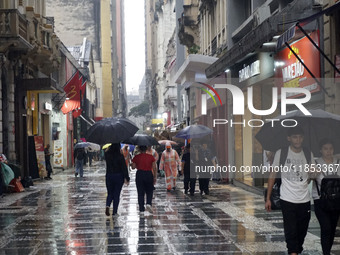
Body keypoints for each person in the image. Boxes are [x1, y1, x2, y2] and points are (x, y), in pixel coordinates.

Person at [265, 126, 314, 255]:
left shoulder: (308, 153)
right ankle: (293, 252)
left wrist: (312, 174)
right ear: (289, 138)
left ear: (303, 138)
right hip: (287, 198)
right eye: (295, 137)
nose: (298, 140)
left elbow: (310, 179)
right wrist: (268, 198)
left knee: (302, 231)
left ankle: (296, 250)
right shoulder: (282, 153)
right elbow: (272, 174)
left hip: (304, 198)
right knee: (291, 230)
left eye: (300, 137)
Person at [312, 138, 340, 255]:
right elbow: (308, 180)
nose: (328, 151)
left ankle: (327, 251)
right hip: (320, 201)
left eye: (331, 149)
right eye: (325, 149)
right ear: (320, 150)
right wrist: (312, 175)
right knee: (326, 228)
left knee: (332, 228)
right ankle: (326, 253)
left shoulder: (338, 162)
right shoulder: (315, 163)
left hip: (336, 201)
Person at [104, 143, 130, 217]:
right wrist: (127, 177)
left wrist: (108, 149)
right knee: (116, 194)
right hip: (119, 176)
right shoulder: (120, 155)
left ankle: (107, 205)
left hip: (109, 175)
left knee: (110, 193)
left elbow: (106, 155)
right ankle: (114, 212)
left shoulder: (107, 155)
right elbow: (124, 167)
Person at [131, 145, 157, 213]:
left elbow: (133, 167)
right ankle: (148, 203)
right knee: (149, 190)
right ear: (146, 149)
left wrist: (134, 164)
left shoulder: (136, 157)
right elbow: (154, 167)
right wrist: (154, 176)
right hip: (148, 174)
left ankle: (141, 209)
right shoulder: (151, 157)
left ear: (139, 149)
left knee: (140, 193)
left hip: (140, 174)